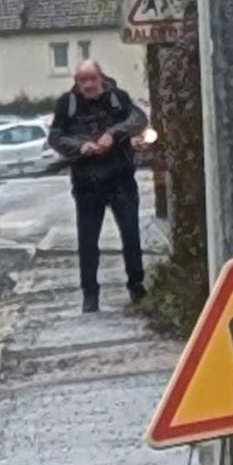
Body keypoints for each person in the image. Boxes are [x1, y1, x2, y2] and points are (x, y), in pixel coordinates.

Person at [45, 59, 148, 312]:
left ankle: (136, 286)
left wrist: (114, 134)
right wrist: (81, 147)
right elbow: (55, 137)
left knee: (131, 234)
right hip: (87, 182)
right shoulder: (67, 104)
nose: (89, 85)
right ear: (77, 83)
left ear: (101, 78)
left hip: (121, 178)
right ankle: (90, 294)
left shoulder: (118, 98)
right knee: (88, 240)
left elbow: (139, 119)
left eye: (92, 79)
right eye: (83, 80)